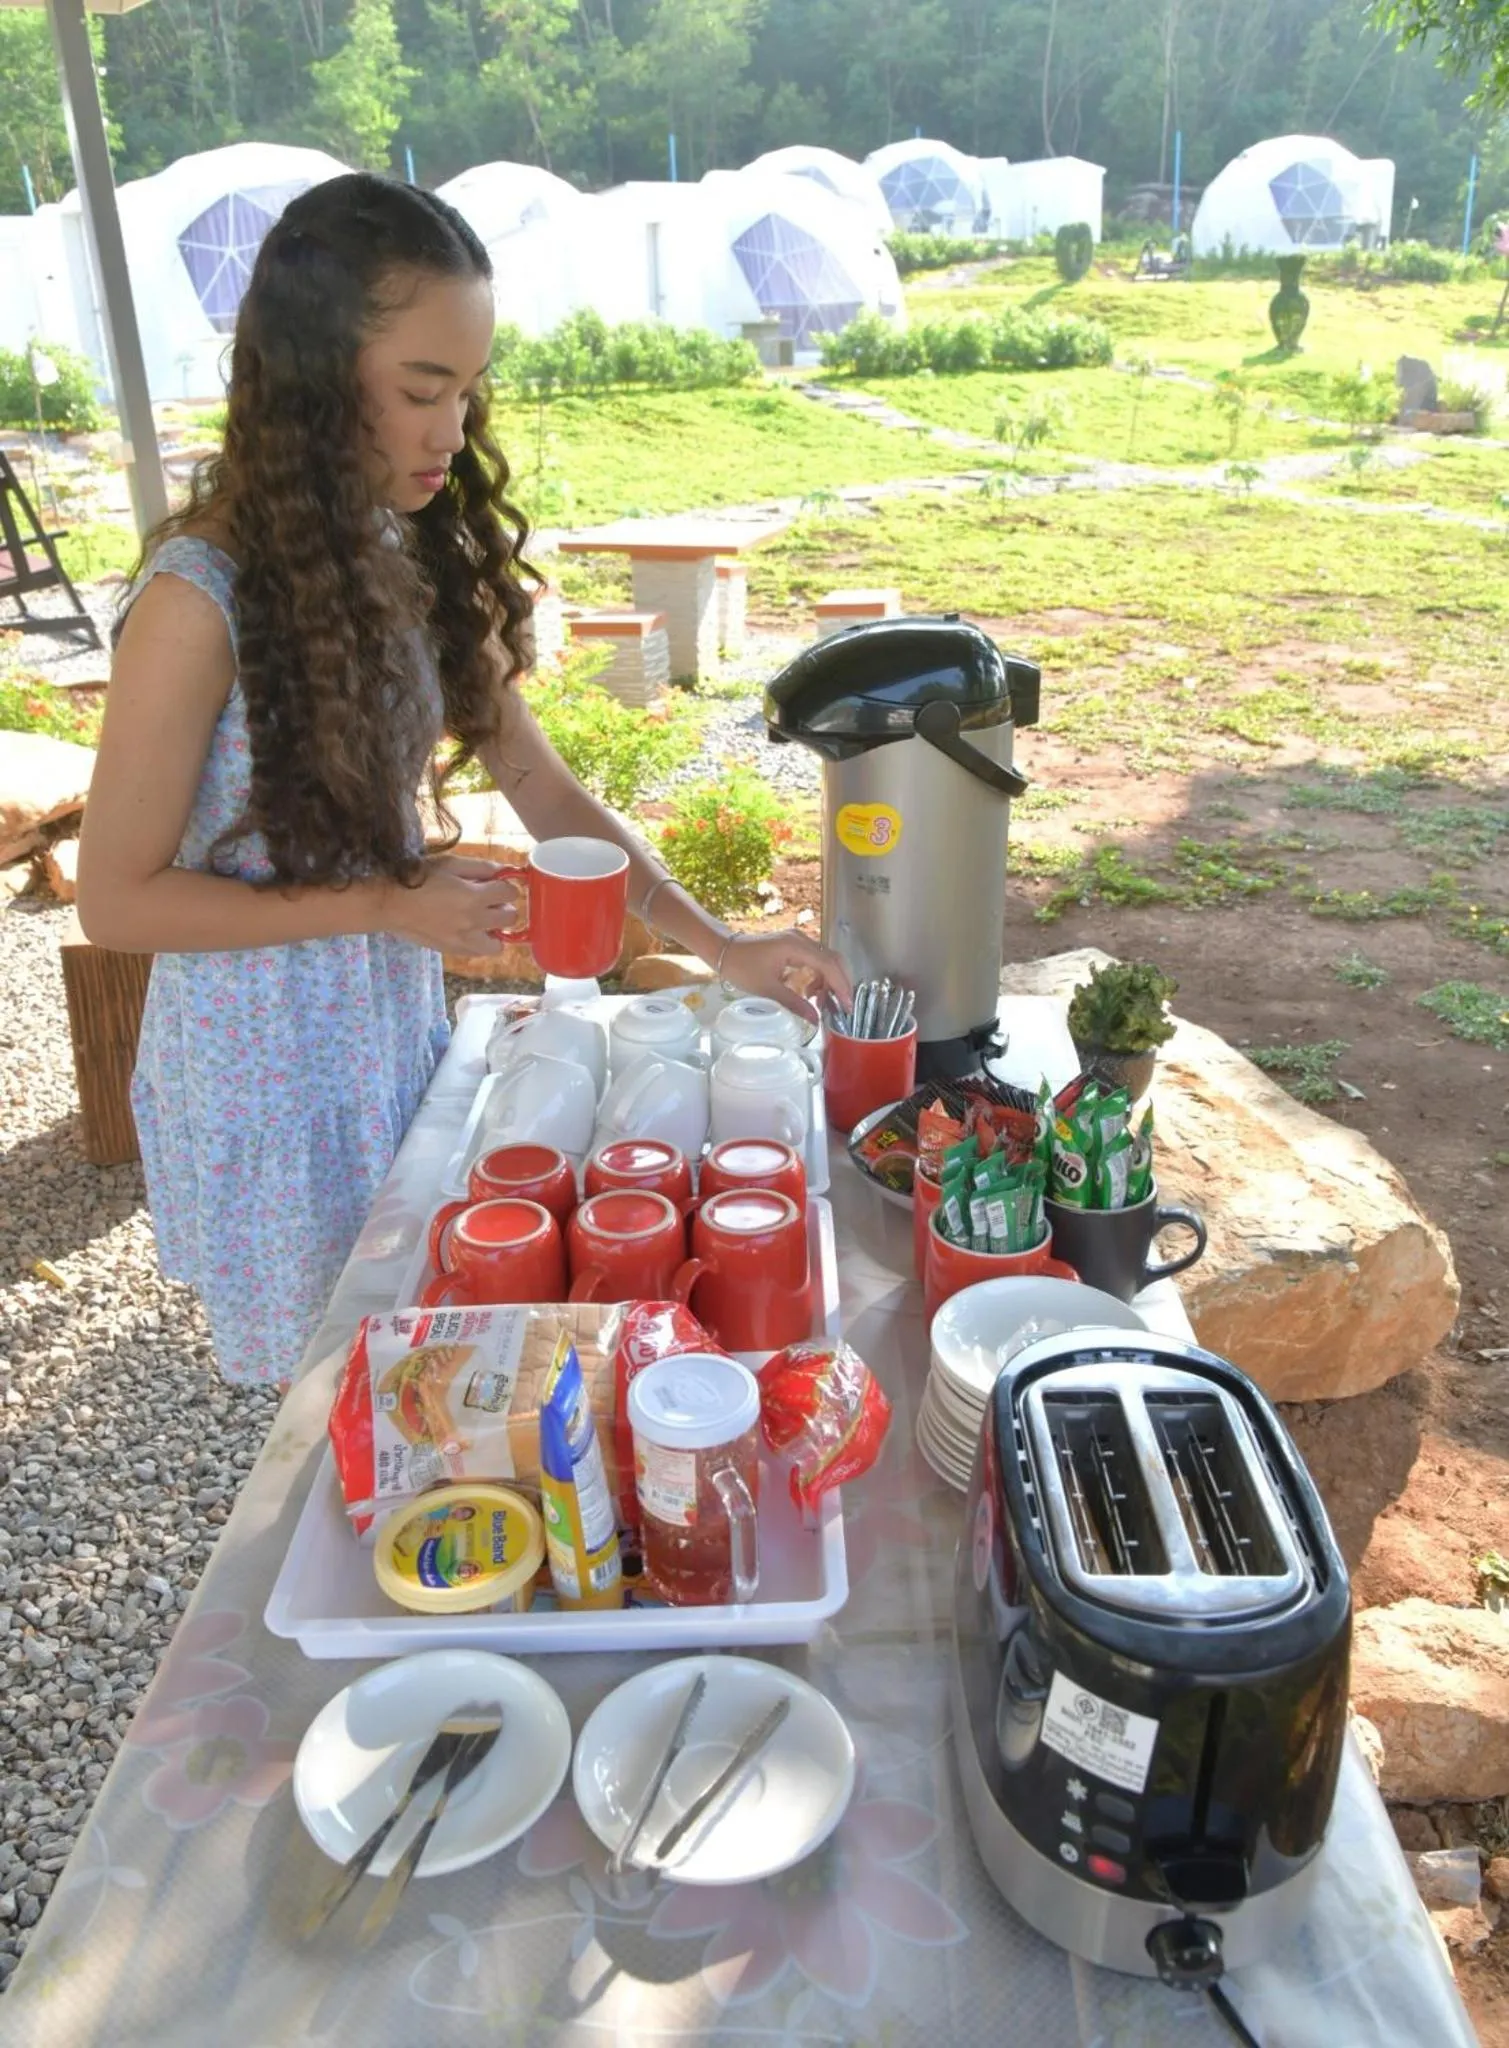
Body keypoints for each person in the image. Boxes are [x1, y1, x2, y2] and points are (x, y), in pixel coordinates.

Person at [77, 172, 849, 1389]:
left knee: (425, 1365)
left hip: (385, 1034)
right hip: (266, 1076)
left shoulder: (406, 545)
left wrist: (720, 943)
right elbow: (115, 901)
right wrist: (390, 902)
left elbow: (540, 786)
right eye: (420, 390)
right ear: (312, 381)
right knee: (333, 1396)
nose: (451, 429)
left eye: (467, 390)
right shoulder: (194, 599)